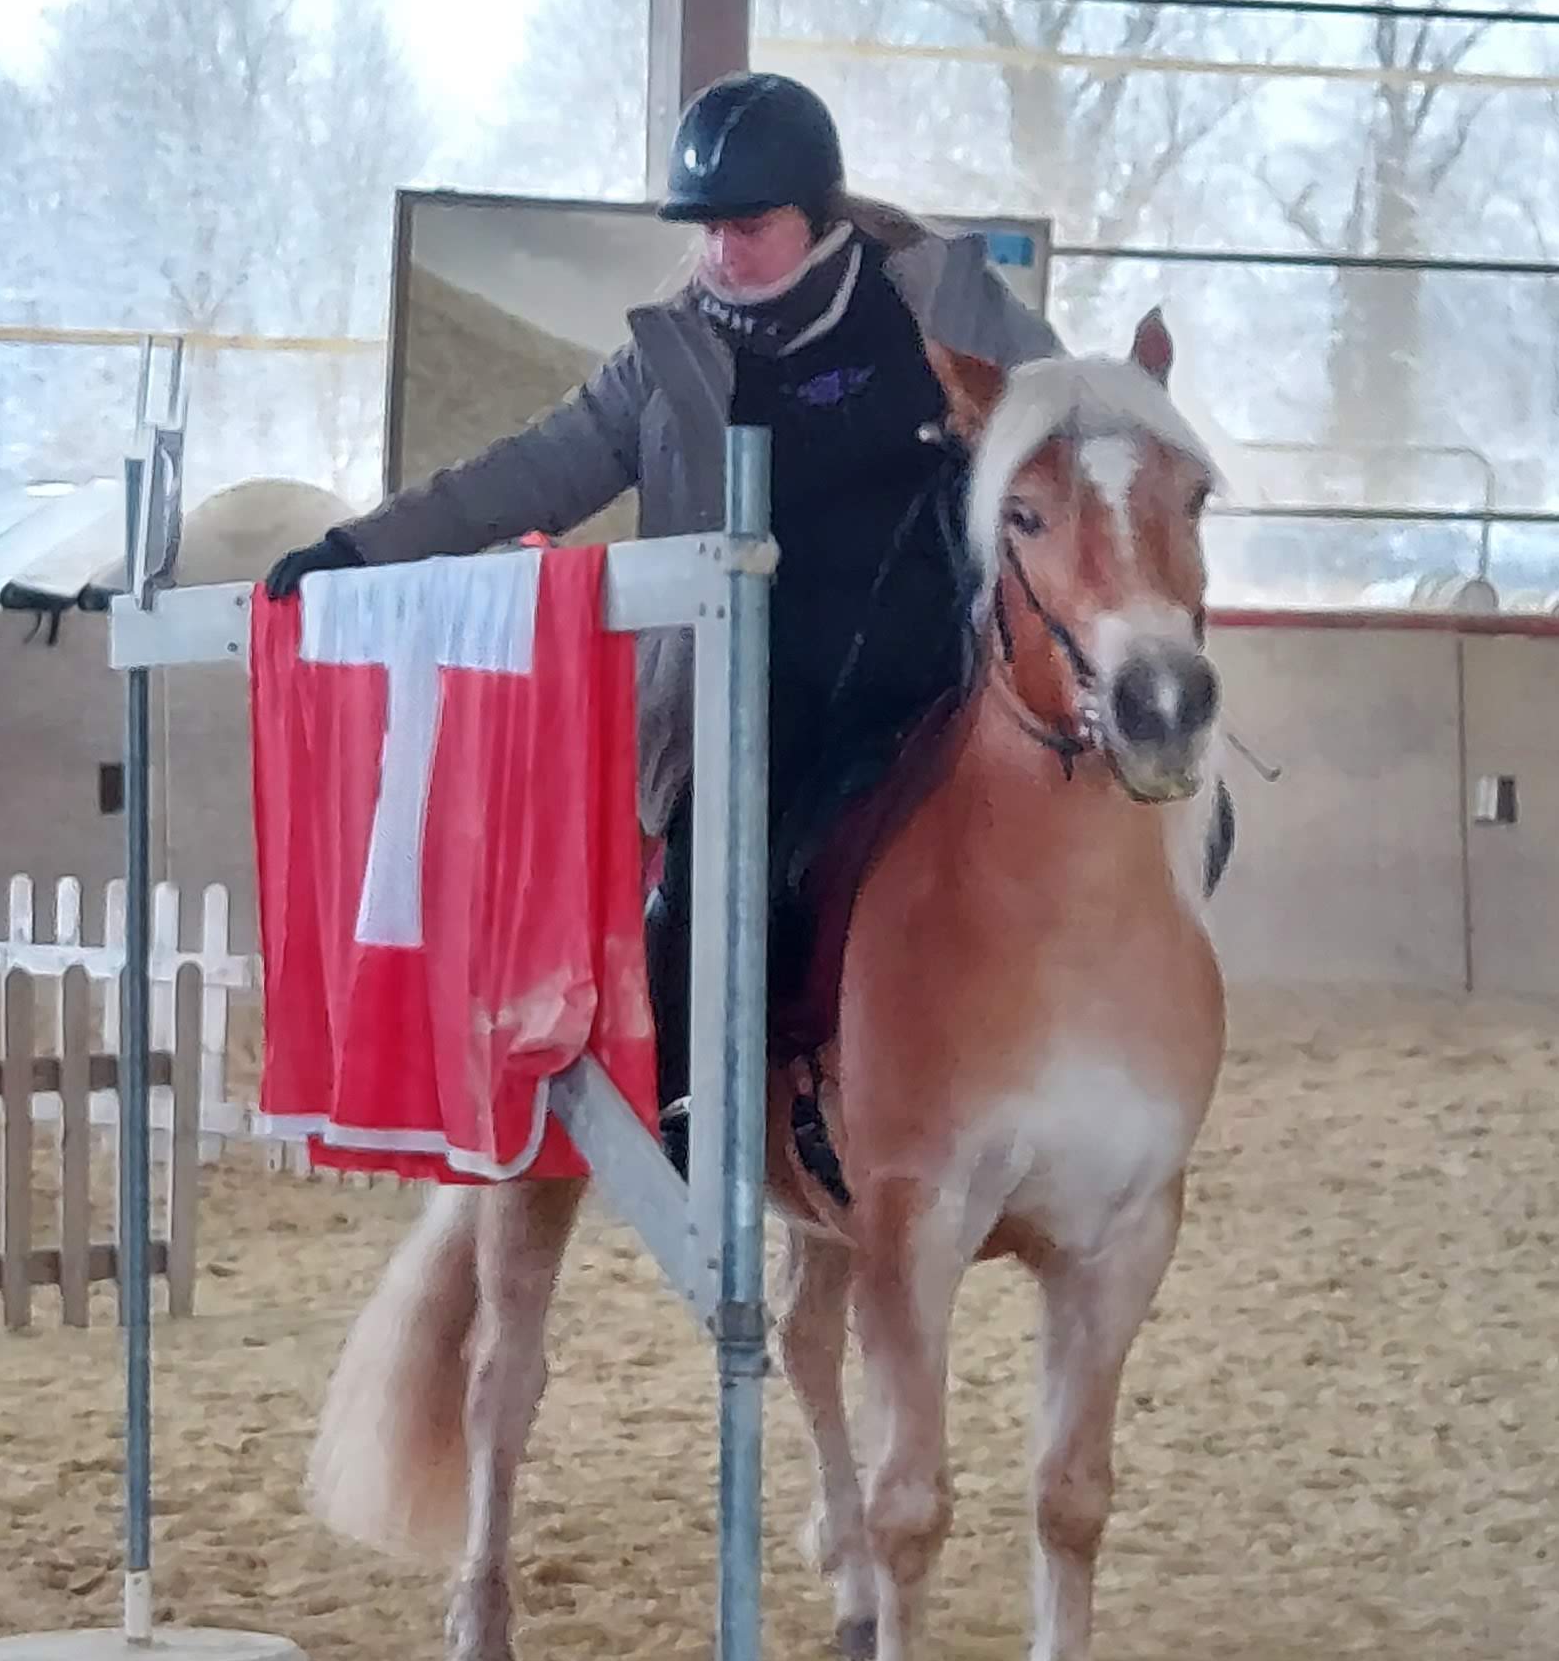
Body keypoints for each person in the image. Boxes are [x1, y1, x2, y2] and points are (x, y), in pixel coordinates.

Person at [262, 70, 1063, 1183]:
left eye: (750, 226)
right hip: (750, 694)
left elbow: (1073, 422)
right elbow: (531, 471)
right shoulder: (666, 355)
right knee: (712, 868)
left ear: (818, 217)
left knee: (1131, 792)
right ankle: (700, 1093)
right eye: (706, 228)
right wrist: (362, 548)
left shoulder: (943, 297)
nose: (722, 253)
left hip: (947, 671)